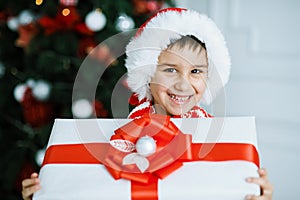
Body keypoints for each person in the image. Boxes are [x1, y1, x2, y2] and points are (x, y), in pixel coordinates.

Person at [22, 8, 273, 200]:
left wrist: (252, 190)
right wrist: (47, 190)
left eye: (196, 71)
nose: (184, 85)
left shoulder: (217, 135)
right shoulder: (121, 135)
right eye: (171, 70)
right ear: (148, 74)